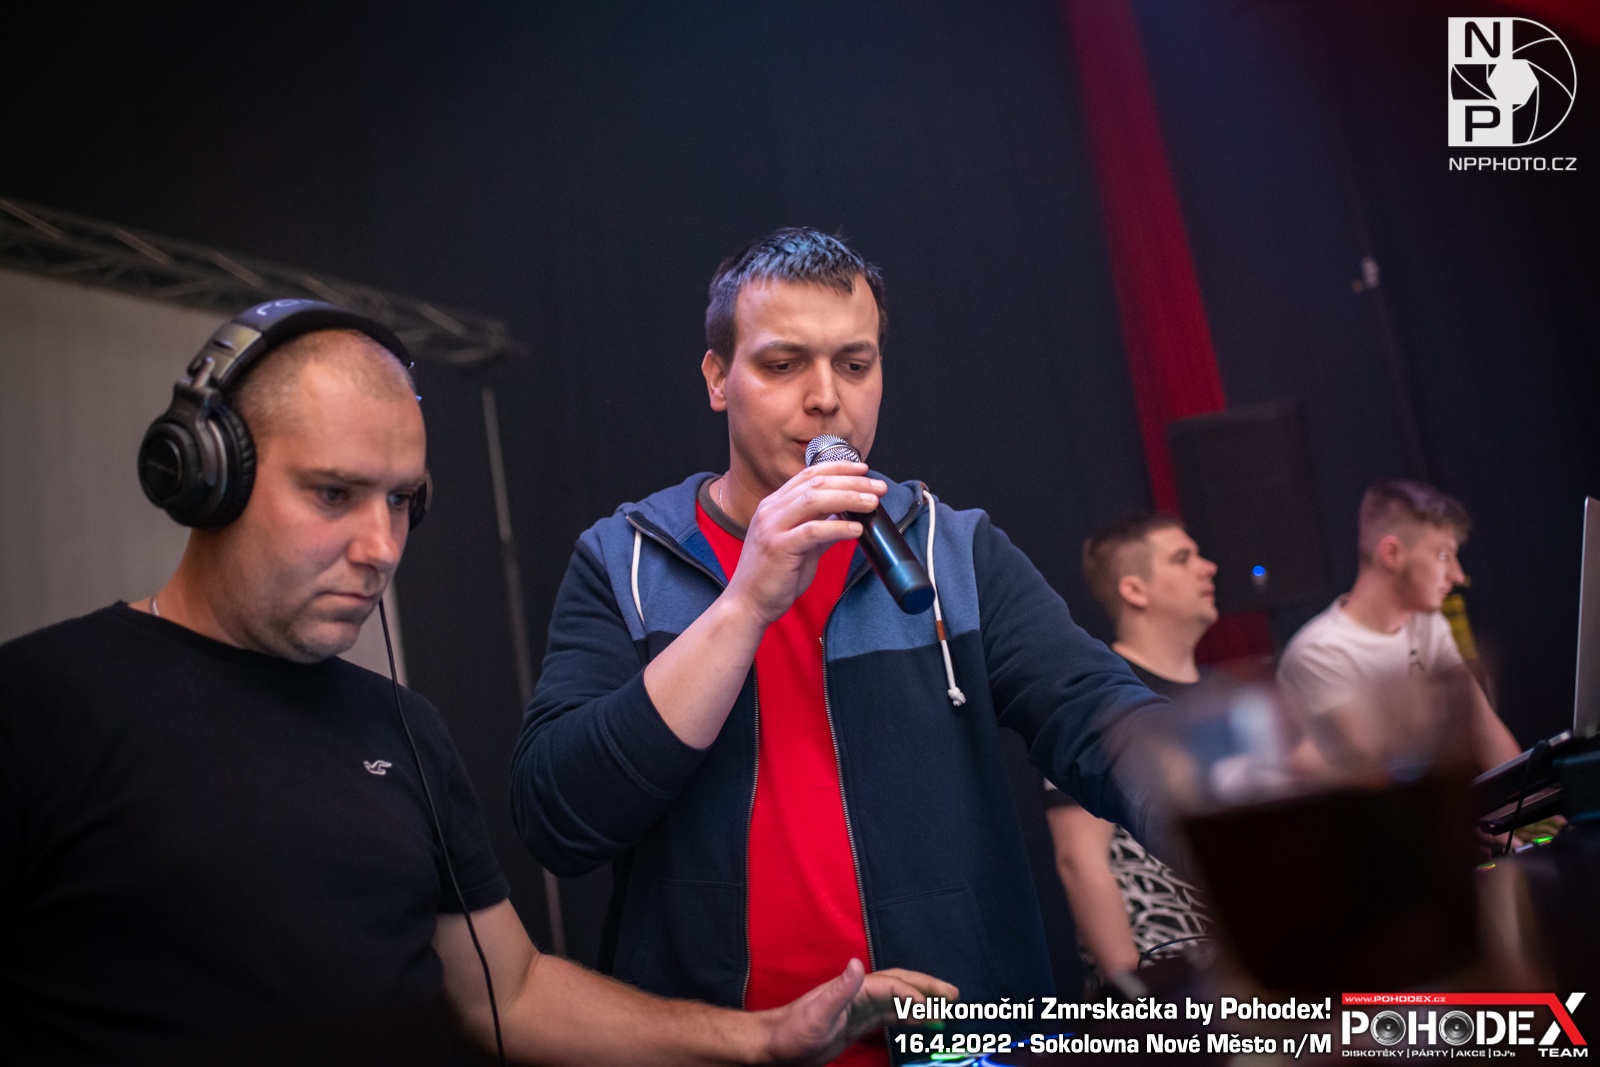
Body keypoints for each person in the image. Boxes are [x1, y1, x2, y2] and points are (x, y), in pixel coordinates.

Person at [0, 300, 949, 1066]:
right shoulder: (42, 706)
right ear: (208, 474)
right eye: (332, 493)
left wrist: (762, 1038)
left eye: (401, 501)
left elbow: (513, 994)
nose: (381, 547)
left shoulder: (401, 729)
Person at [511, 228, 1170, 1062]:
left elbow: (1097, 712)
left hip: (954, 1045)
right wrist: (745, 603)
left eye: (854, 364)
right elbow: (558, 818)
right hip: (720, 1048)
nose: (826, 398)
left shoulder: (951, 550)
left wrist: (1216, 799)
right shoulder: (626, 560)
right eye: (783, 364)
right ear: (717, 378)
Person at [1045, 513, 1214, 993]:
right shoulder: (1098, 696)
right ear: (1134, 590)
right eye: (1182, 558)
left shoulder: (1214, 695)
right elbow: (1081, 860)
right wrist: (1135, 996)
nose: (1208, 567)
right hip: (1163, 977)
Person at [1276, 479, 1522, 772]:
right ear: (1392, 554)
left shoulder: (1428, 624)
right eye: (1443, 555)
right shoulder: (1318, 653)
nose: (1457, 576)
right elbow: (1376, 774)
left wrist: (1531, 795)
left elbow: (1484, 730)